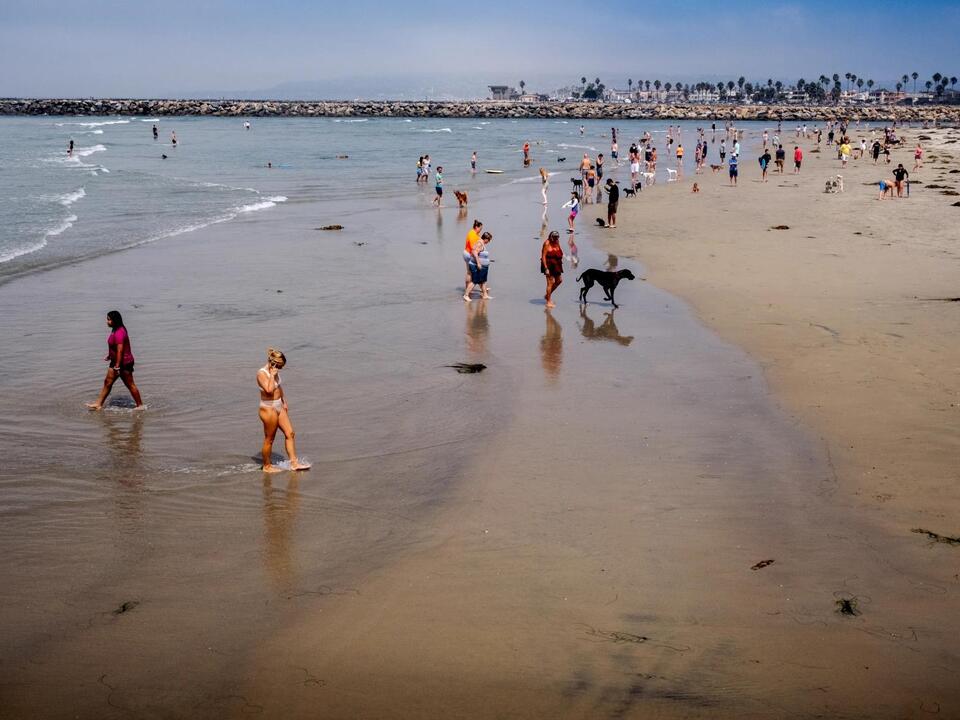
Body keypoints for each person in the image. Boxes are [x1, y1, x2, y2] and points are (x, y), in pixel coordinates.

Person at [257, 348, 308, 473]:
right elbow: (269, 390)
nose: (280, 369)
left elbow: (278, 386)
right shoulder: (262, 373)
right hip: (268, 408)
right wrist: (273, 375)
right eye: (279, 366)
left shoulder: (275, 371)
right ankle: (266, 466)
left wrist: (284, 400)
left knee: (290, 433)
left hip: (279, 405)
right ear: (273, 363)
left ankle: (294, 463)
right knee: (270, 439)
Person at [86, 310, 144, 410]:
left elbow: (120, 350)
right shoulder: (114, 329)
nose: (107, 321)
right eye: (107, 319)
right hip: (115, 361)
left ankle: (140, 406)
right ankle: (98, 404)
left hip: (124, 363)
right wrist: (109, 355)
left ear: (114, 320)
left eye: (109, 320)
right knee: (107, 382)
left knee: (130, 384)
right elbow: (113, 346)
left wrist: (117, 366)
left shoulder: (119, 332)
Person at [463, 232, 493, 301]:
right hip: (476, 265)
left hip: (482, 266)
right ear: (486, 239)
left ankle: (485, 295)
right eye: (489, 240)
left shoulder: (481, 243)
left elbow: (480, 254)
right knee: (475, 280)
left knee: (483, 281)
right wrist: (479, 263)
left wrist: (487, 260)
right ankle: (466, 295)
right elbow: (474, 252)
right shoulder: (480, 243)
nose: (489, 241)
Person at [541, 230, 564, 308]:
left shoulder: (557, 242)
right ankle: (548, 301)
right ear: (551, 237)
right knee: (550, 282)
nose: (556, 239)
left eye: (557, 237)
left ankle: (547, 295)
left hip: (556, 264)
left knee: (559, 281)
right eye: (554, 237)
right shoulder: (547, 243)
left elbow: (560, 251)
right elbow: (543, 256)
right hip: (548, 264)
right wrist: (546, 268)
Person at [463, 220, 483, 295]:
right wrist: (477, 259)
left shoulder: (474, 233)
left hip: (467, 253)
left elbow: (479, 240)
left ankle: (478, 287)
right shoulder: (472, 234)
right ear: (476, 227)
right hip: (468, 254)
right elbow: (472, 248)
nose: (481, 229)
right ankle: (468, 289)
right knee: (471, 272)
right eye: (480, 228)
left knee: (470, 272)